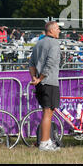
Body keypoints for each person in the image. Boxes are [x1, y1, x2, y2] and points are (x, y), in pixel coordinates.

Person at [29, 21, 61, 152]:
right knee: (48, 113)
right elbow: (50, 63)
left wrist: (34, 78)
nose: (59, 31)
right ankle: (44, 143)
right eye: (58, 29)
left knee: (47, 112)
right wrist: (40, 78)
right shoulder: (54, 43)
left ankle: (47, 140)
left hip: (41, 83)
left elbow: (31, 63)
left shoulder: (38, 43)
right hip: (49, 82)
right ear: (51, 30)